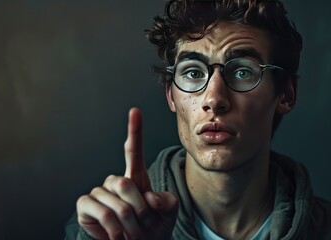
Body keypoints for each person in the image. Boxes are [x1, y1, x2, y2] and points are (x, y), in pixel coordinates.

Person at [65, 0, 331, 239]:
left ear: (285, 95)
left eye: (241, 72)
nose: (213, 99)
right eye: (193, 73)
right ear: (171, 96)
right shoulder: (103, 229)